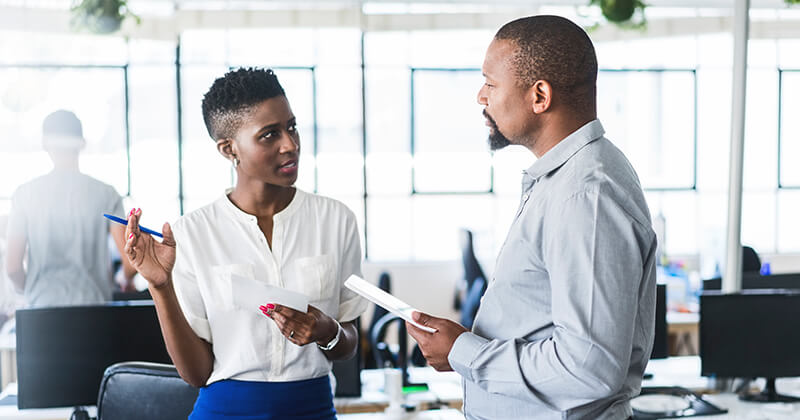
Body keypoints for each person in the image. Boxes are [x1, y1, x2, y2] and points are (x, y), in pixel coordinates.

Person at [406, 15, 657, 420]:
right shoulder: (567, 178)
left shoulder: (585, 194)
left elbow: (588, 367)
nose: (480, 96)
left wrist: (464, 352)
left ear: (539, 96)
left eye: (490, 83)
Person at [124, 68, 367, 419]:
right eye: (270, 135)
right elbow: (196, 374)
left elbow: (347, 344)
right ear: (229, 149)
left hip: (312, 410)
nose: (290, 144)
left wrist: (327, 330)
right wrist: (160, 287)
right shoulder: (192, 233)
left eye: (292, 127)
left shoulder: (336, 220)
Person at [5, 110, 136, 307]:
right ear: (82, 143)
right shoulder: (106, 194)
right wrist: (122, 279)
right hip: (94, 310)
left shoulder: (24, 194)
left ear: (45, 144)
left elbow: (13, 268)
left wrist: (33, 289)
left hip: (41, 309)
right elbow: (130, 260)